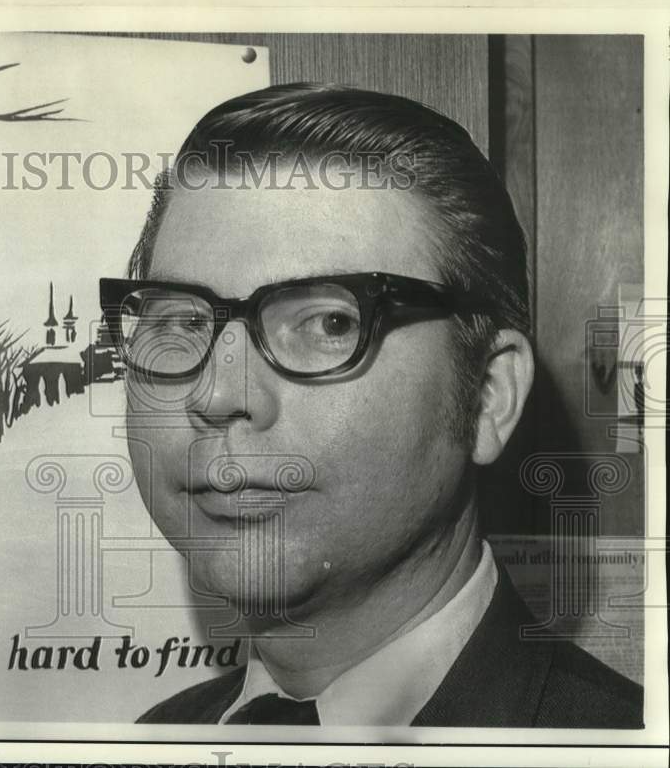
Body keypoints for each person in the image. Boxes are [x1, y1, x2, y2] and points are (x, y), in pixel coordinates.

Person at [99, 84, 643, 727]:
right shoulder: (156, 740)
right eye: (180, 323)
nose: (217, 396)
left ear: (489, 395)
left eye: (331, 323)